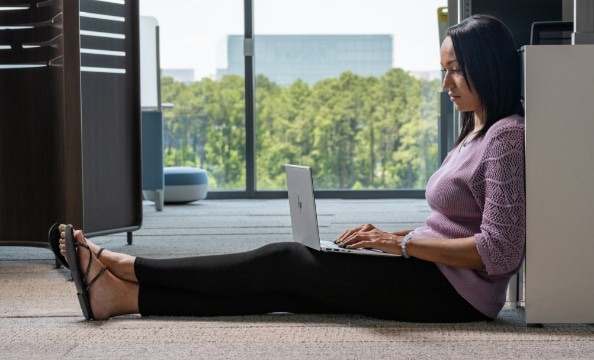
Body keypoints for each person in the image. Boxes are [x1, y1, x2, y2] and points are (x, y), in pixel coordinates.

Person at [50, 14, 525, 322]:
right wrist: (388, 236)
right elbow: (451, 226)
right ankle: (120, 297)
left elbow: (498, 252)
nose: (445, 83)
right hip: (429, 270)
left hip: (456, 295)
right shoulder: (474, 130)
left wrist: (399, 243)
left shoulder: (506, 135)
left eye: (456, 69)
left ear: (489, 67)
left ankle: (122, 264)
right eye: (443, 69)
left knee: (287, 261)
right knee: (289, 289)